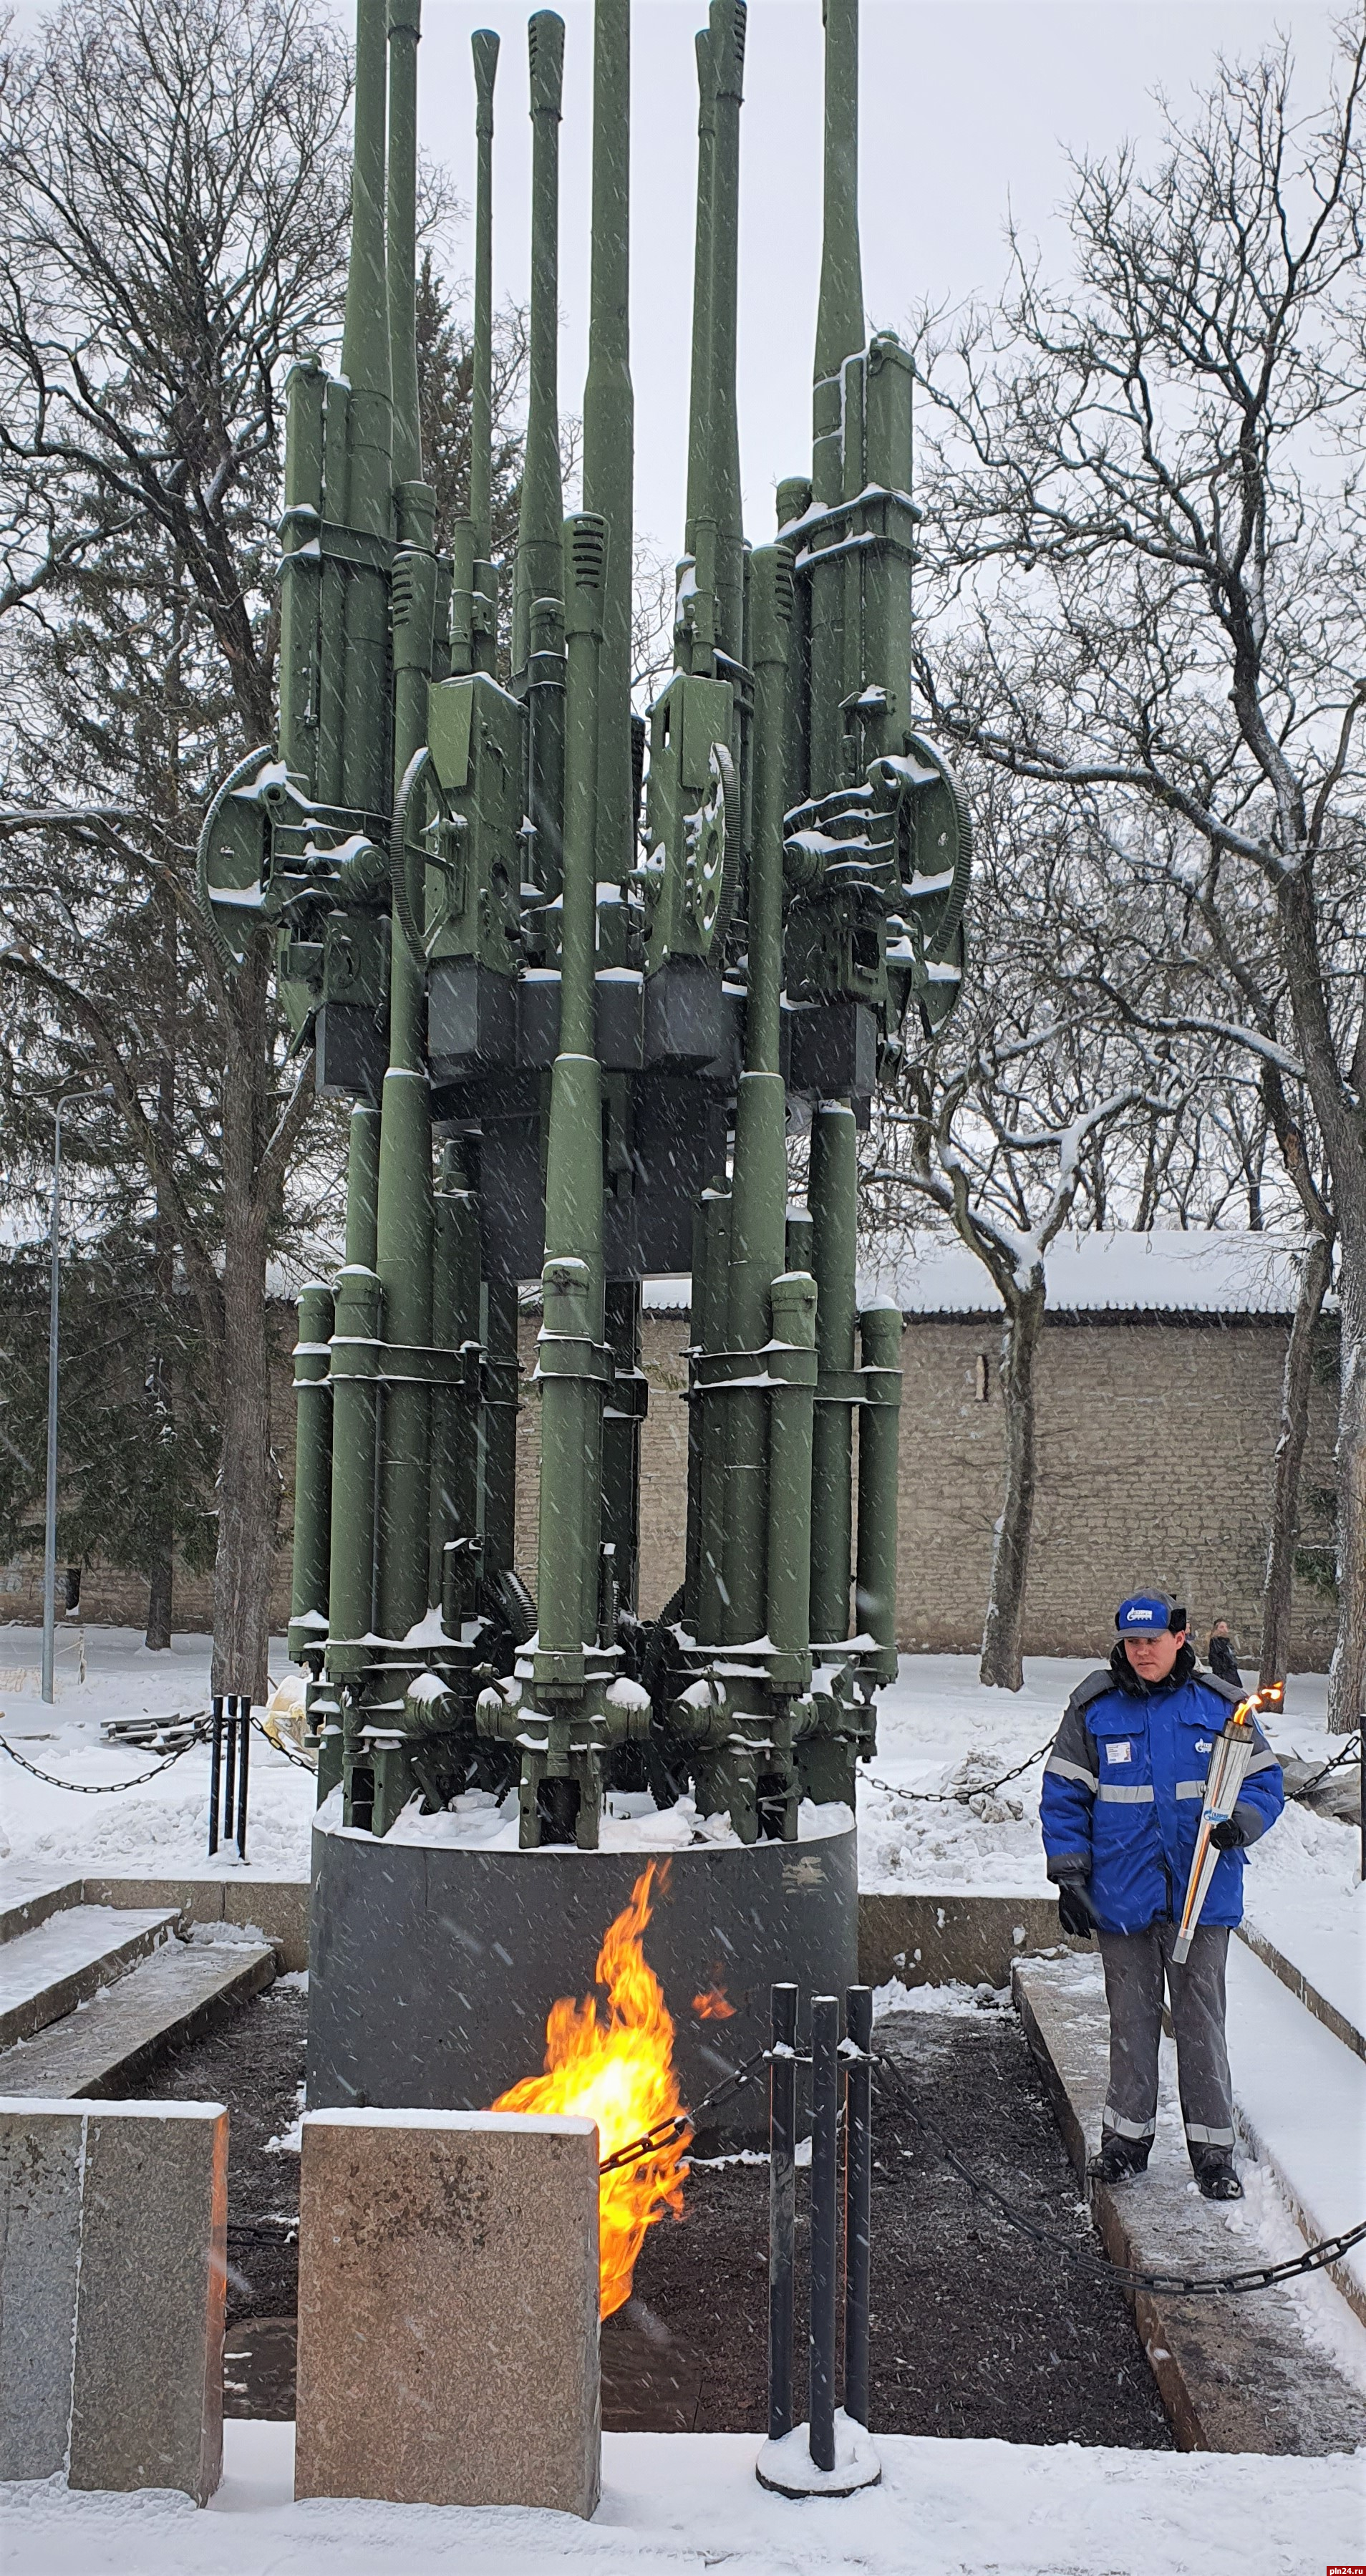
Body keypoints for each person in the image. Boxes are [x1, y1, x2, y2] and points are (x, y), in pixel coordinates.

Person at [1040, 1590, 1283, 2202]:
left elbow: (1265, 1780)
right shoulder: (1094, 1709)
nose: (1142, 1651)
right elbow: (1064, 1794)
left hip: (1202, 1895)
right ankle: (1126, 2141)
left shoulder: (1221, 1706)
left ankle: (1212, 2152)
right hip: (1122, 1895)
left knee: (1202, 2021)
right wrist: (1069, 1874)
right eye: (1132, 1641)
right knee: (1131, 2019)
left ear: (1181, 1638)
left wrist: (1244, 1823)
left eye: (1153, 1640)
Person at [1206, 1619, 1243, 1690]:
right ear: (1216, 1629)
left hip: (1231, 1676)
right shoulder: (1215, 1642)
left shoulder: (1227, 1642)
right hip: (1224, 1677)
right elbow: (1215, 1660)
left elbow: (1231, 1658)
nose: (1224, 1629)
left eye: (1225, 1627)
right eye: (1221, 1627)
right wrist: (1222, 1674)